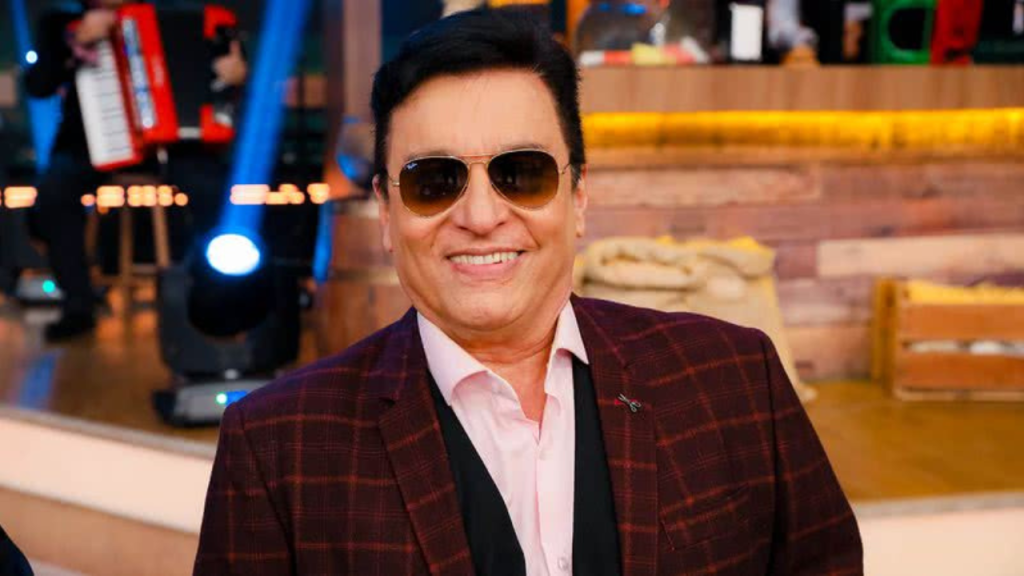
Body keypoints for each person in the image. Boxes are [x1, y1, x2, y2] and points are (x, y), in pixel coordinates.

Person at [195, 8, 862, 575]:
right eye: (434, 181)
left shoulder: (736, 379)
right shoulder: (276, 446)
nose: (481, 215)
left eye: (521, 173)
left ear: (578, 197)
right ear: (388, 215)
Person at [23, 0, 247, 341]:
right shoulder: (61, 24)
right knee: (54, 192)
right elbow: (38, 86)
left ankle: (211, 296)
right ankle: (78, 304)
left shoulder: (180, 16)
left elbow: (227, 81)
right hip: (89, 143)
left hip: (175, 143)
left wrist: (237, 75)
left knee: (212, 189)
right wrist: (76, 43)